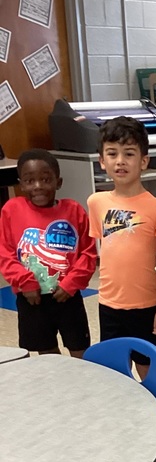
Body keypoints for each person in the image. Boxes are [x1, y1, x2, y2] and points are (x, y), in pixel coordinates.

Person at [88, 116, 156, 379]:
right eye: (112, 154)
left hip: (147, 305)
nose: (120, 161)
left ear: (144, 161)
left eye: (129, 154)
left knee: (146, 365)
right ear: (102, 161)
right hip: (109, 304)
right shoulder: (96, 202)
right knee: (115, 368)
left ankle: (150, 416)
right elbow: (105, 251)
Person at [0, 149, 96, 358]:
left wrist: (71, 284)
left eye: (45, 179)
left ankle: (84, 386)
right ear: (21, 184)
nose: (38, 186)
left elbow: (88, 254)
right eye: (29, 180)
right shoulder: (11, 210)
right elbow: (5, 254)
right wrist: (25, 282)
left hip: (67, 297)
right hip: (31, 300)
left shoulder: (74, 211)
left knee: (81, 350)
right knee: (47, 353)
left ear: (58, 182)